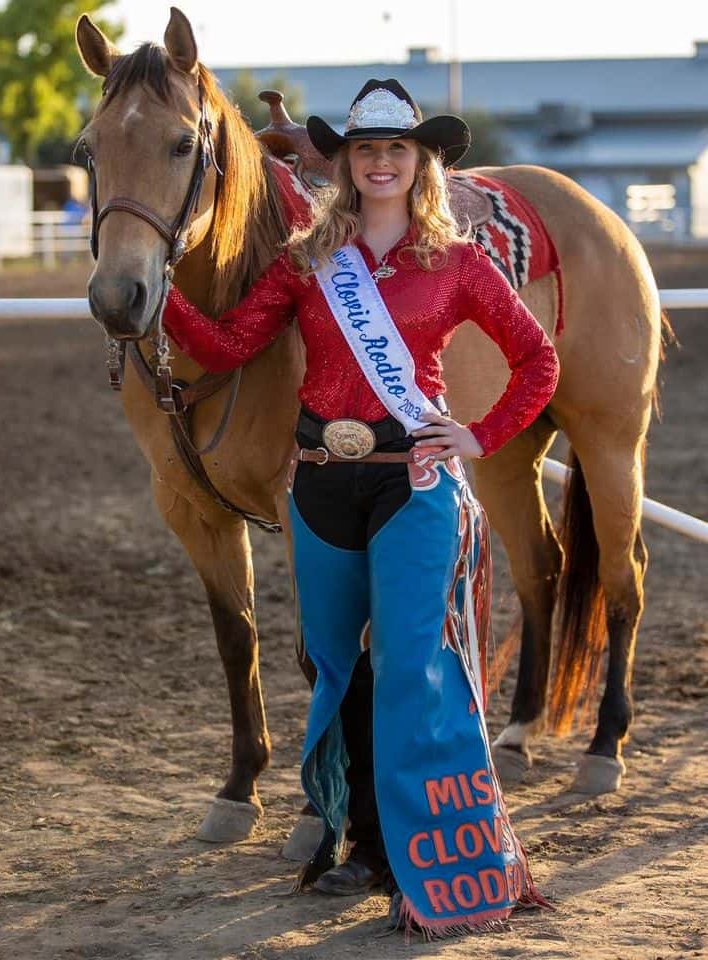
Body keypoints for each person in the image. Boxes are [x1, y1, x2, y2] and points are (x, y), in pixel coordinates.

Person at [163, 79, 559, 937]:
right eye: (364, 150)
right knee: (336, 670)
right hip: (319, 483)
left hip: (410, 485)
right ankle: (364, 849)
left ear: (420, 164)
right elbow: (232, 345)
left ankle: (431, 865)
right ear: (343, 164)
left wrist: (481, 437)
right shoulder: (307, 260)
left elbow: (537, 363)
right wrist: (160, 297)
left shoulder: (455, 262)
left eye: (396, 149)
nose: (380, 162)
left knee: (411, 667)